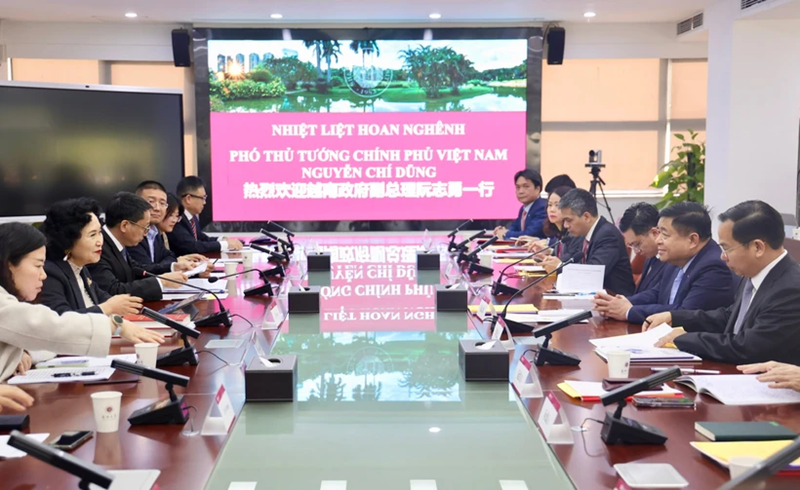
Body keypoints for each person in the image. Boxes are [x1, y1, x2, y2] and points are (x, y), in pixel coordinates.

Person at [0, 222, 163, 382]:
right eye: (37, 266)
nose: (43, 275)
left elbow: (42, 338)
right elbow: (47, 326)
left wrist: (25, 352)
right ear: (9, 265)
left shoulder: (82, 270)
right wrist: (113, 324)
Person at [646, 200, 800, 365]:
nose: (722, 257)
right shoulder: (754, 274)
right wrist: (675, 317)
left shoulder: (790, 290)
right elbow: (730, 317)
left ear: (757, 247)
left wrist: (685, 339)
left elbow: (747, 347)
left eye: (726, 248)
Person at [595, 202, 734, 323]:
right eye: (658, 233)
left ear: (692, 240)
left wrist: (629, 311)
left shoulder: (713, 267)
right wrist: (620, 303)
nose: (657, 240)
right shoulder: (676, 259)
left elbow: (684, 313)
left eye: (665, 235)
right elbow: (657, 293)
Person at [38, 198, 143, 316]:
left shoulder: (81, 268)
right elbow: (62, 319)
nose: (100, 242)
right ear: (67, 239)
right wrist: (107, 308)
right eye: (92, 235)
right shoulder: (50, 274)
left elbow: (105, 298)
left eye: (100, 233)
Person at [87, 192, 187, 301]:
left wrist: (172, 267)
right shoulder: (98, 248)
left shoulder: (117, 242)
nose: (145, 234)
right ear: (125, 226)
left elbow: (138, 269)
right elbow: (113, 290)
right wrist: (161, 282)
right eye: (145, 227)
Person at [542, 188, 635, 296]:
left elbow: (592, 275)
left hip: (615, 301)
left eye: (569, 220)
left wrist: (559, 267)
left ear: (586, 217)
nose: (566, 226)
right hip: (593, 298)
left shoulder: (607, 235)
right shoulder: (584, 233)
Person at [128, 181, 207, 274]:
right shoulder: (132, 232)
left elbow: (169, 256)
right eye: (151, 201)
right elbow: (145, 270)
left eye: (162, 203)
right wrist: (172, 265)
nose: (157, 208)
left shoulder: (154, 231)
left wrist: (175, 263)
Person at [167, 176, 244, 255]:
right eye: (202, 198)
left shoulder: (192, 218)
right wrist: (225, 245)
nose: (204, 202)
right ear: (188, 199)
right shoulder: (176, 218)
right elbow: (192, 246)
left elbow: (202, 238)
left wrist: (221, 239)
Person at [515, 186, 581, 261]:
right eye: (550, 205)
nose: (552, 210)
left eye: (557, 205)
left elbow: (567, 261)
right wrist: (549, 251)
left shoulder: (574, 234)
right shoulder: (559, 233)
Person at [493, 169, 548, 241]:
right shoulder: (523, 209)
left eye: (526, 186)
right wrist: (502, 231)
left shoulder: (542, 207)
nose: (521, 191)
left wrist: (505, 234)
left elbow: (529, 234)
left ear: (537, 189)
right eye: (518, 187)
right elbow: (514, 227)